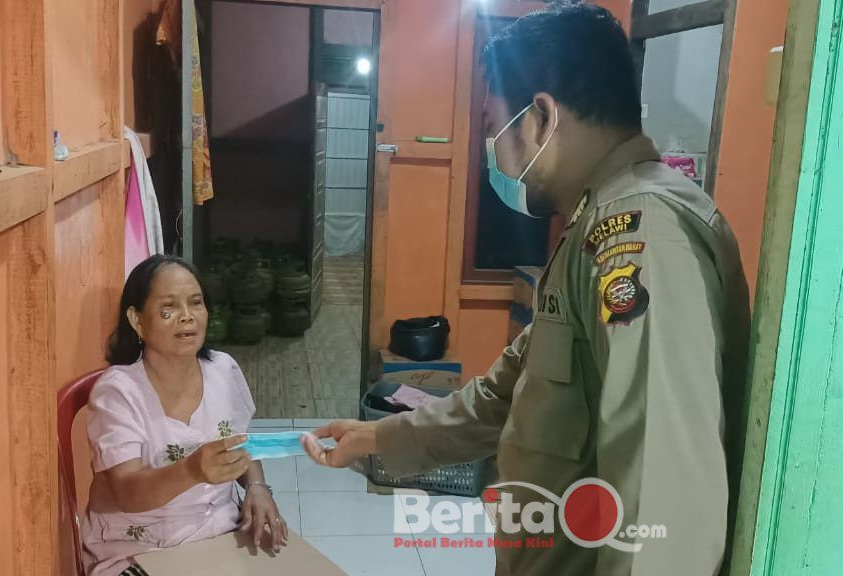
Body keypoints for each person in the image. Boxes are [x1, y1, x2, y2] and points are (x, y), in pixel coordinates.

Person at [302, 3, 750, 575]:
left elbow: (664, 499)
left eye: (492, 128)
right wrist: (373, 437)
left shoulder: (641, 239)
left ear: (540, 117)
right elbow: (504, 396)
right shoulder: (590, 229)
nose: (493, 152)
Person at [83, 255, 288, 576]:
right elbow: (126, 493)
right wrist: (192, 469)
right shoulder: (118, 392)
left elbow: (241, 448)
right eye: (169, 308)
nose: (187, 317)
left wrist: (257, 487)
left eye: (196, 303)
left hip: (218, 532)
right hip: (141, 550)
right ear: (137, 321)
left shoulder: (223, 370)